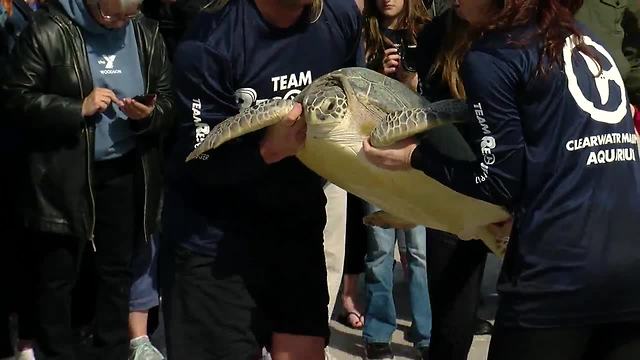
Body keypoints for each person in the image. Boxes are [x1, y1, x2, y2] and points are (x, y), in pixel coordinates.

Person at [363, 0, 640, 359]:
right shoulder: (585, 38)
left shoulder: (492, 57)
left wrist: (414, 158)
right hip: (629, 266)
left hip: (556, 273)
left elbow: (498, 182)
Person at [160, 0, 361, 359]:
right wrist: (266, 151)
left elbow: (355, 105)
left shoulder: (338, 17)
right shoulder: (209, 43)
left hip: (296, 228)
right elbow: (198, 160)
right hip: (215, 244)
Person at [0, 0, 174, 358]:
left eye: (128, 16)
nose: (119, 24)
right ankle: (54, 351)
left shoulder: (145, 32)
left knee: (116, 271)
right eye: (112, 15)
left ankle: (112, 349)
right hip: (62, 173)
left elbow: (170, 100)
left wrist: (148, 115)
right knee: (57, 274)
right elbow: (15, 98)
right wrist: (76, 108)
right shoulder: (49, 31)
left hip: (124, 168)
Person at [360, 1, 432, 359]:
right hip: (375, 153)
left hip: (418, 154)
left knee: (418, 251)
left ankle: (426, 336)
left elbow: (435, 88)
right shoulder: (364, 31)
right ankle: (377, 333)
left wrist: (409, 76)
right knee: (379, 248)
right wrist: (378, 71)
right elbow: (354, 92)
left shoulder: (427, 29)